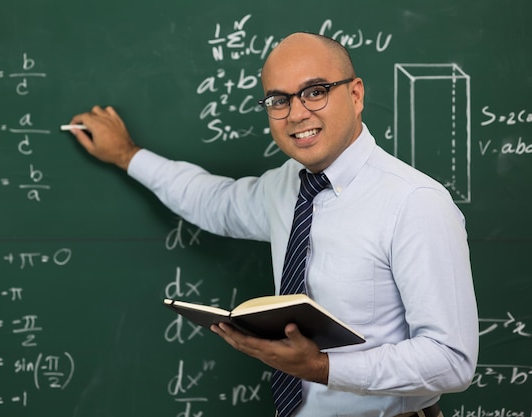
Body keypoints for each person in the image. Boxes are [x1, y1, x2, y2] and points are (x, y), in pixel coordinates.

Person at [68, 32, 478, 417]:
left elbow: (452, 360)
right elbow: (214, 202)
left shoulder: (414, 203)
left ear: (355, 95)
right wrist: (127, 155)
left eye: (315, 92)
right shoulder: (287, 185)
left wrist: (322, 368)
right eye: (278, 100)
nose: (297, 113)